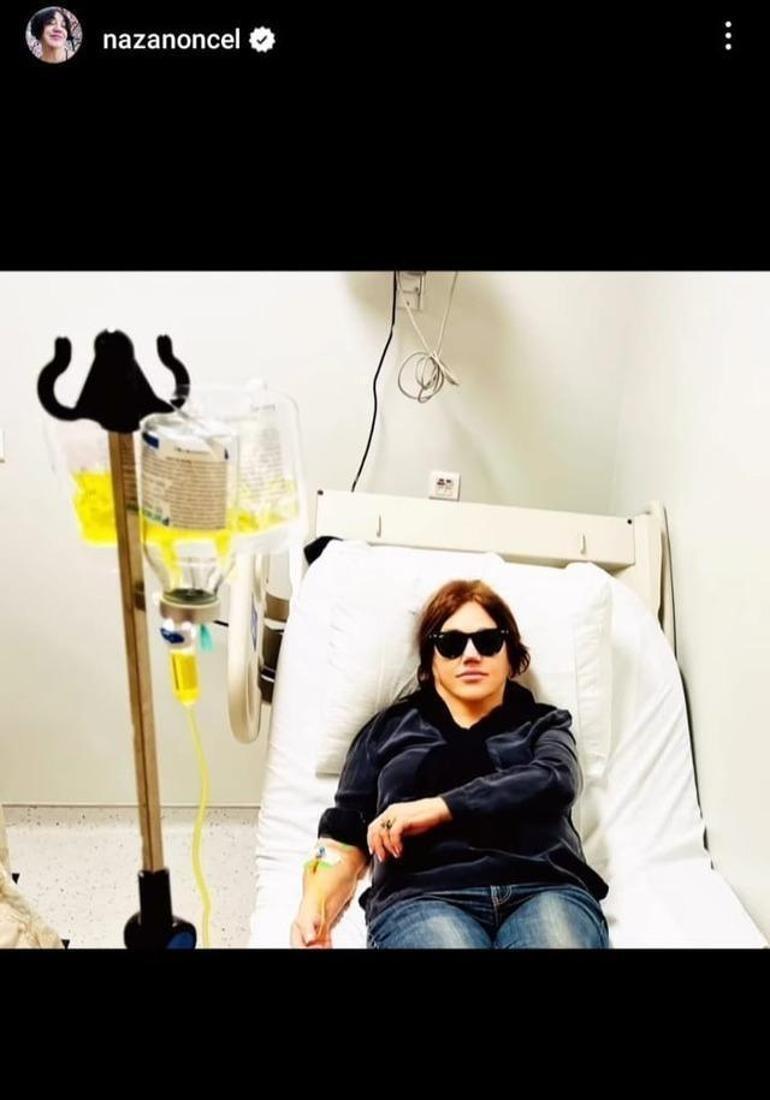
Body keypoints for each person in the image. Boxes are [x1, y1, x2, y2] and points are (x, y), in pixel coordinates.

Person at [290, 578, 610, 949]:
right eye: (451, 644)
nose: (471, 655)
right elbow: (342, 840)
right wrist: (315, 905)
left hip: (545, 887)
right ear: (431, 660)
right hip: (423, 897)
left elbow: (555, 781)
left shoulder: (543, 724)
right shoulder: (385, 732)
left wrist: (439, 808)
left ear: (511, 656)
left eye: (488, 642)